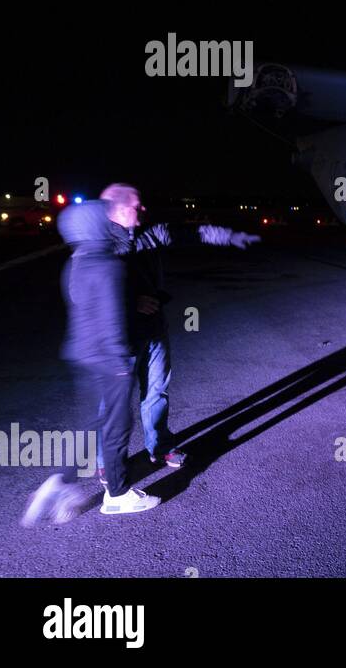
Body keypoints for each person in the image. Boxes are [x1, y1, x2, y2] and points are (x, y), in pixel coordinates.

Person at [95, 184, 259, 481]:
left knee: (157, 392)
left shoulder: (148, 234)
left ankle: (160, 446)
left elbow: (191, 233)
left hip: (155, 330)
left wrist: (231, 236)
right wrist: (130, 303)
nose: (144, 210)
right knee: (115, 406)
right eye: (137, 206)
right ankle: (108, 462)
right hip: (119, 340)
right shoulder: (99, 245)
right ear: (118, 209)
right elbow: (82, 293)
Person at [22, 199, 159, 524]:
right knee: (116, 427)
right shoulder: (108, 264)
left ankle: (61, 482)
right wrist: (120, 362)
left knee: (90, 427)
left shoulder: (76, 260)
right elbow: (111, 318)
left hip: (81, 354)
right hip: (108, 358)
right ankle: (118, 496)